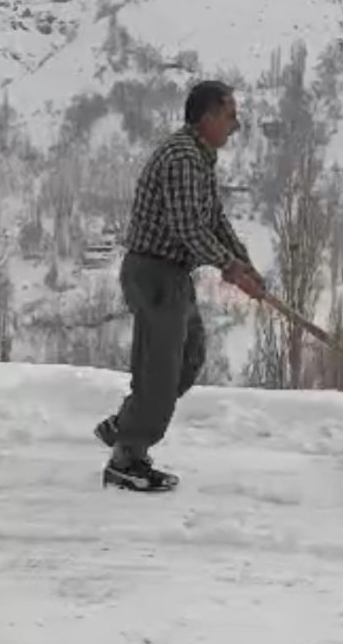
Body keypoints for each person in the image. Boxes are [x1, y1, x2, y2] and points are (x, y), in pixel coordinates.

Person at [95, 80, 266, 492]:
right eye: (229, 116)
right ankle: (127, 458)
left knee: (189, 358)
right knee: (160, 371)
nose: (235, 125)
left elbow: (214, 221)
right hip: (154, 274)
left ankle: (125, 424)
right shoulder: (182, 159)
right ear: (206, 117)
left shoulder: (200, 158)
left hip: (173, 274)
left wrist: (244, 263)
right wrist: (230, 268)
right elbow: (188, 228)